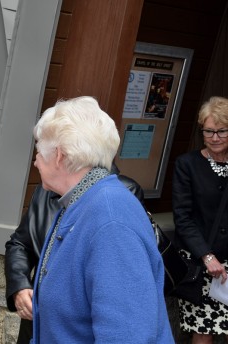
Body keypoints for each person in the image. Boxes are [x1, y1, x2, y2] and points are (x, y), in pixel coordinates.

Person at [29, 96, 173, 343]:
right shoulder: (83, 201)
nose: (35, 162)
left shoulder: (110, 217)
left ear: (60, 156)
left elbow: (127, 335)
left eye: (39, 152)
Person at [4, 166, 144, 343]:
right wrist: (19, 285)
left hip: (79, 327)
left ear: (64, 154)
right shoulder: (44, 190)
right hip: (37, 322)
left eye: (43, 152)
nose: (36, 162)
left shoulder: (123, 191)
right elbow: (20, 243)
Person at [172, 96, 228, 343]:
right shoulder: (188, 164)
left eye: (222, 131)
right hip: (205, 264)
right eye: (209, 131)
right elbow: (182, 217)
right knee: (203, 330)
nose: (215, 137)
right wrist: (207, 256)